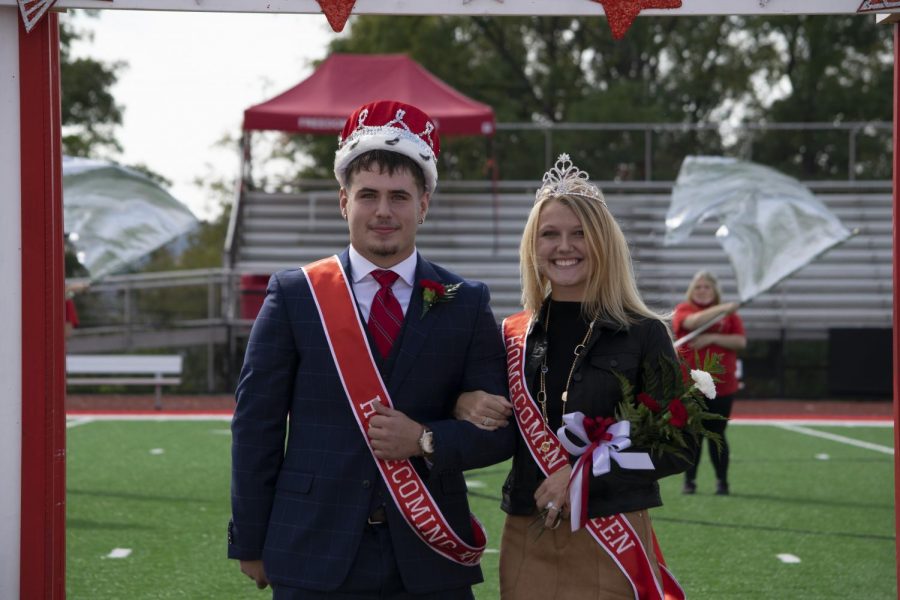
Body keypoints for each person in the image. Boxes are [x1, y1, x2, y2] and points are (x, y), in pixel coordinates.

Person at [228, 100, 516, 600]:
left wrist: (426, 439)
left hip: (429, 556)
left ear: (424, 204)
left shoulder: (466, 302)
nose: (384, 212)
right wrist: (250, 540)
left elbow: (498, 431)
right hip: (314, 551)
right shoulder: (295, 295)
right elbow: (257, 425)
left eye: (400, 196)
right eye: (368, 195)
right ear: (344, 201)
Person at [455, 154, 691, 599]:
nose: (564, 246)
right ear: (533, 245)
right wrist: (462, 403)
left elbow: (676, 446)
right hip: (529, 531)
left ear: (604, 242)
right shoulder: (510, 334)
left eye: (580, 233)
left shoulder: (644, 333)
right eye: (550, 234)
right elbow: (485, 414)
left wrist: (583, 477)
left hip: (611, 530)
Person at [672, 270, 746, 496]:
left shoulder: (730, 316)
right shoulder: (685, 310)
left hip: (722, 386)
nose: (702, 291)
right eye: (698, 287)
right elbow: (693, 322)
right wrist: (724, 307)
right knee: (692, 434)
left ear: (715, 291)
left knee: (717, 434)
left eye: (707, 287)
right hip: (691, 385)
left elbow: (740, 341)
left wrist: (713, 338)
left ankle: (722, 482)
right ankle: (690, 482)